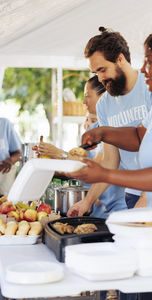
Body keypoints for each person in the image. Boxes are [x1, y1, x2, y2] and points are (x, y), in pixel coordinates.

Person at [65, 23, 152, 299]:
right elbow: (138, 137)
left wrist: (112, 179)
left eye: (150, 62)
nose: (144, 69)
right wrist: (102, 133)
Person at [67, 27, 152, 219]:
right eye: (95, 72)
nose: (100, 79)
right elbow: (110, 161)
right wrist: (87, 201)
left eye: (102, 70)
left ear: (120, 59)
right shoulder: (104, 105)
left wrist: (145, 203)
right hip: (134, 194)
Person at [33, 75, 127, 219]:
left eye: (87, 96)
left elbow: (102, 164)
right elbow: (78, 162)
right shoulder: (94, 129)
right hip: (93, 209)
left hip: (116, 211)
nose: (83, 101)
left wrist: (59, 154)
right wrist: (48, 160)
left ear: (103, 96)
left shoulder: (115, 127)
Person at [0, 117, 21, 195]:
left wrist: (10, 160)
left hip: (3, 176)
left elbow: (18, 153)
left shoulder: (4, 124)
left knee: (5, 203)